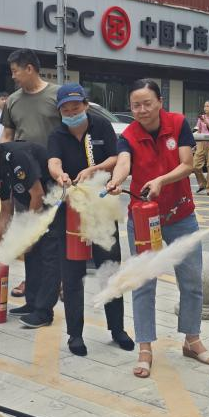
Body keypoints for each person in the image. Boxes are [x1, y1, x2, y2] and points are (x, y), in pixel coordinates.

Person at [108, 79, 209, 379]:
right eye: (135, 105)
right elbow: (124, 163)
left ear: (160, 102)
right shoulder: (129, 135)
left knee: (191, 281)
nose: (141, 110)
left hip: (181, 213)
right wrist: (117, 179)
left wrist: (161, 181)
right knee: (144, 283)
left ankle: (191, 339)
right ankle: (145, 348)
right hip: (144, 218)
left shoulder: (177, 124)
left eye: (147, 103)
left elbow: (187, 164)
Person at [47, 83, 135, 356]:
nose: (72, 113)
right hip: (71, 211)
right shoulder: (58, 134)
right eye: (66, 109)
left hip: (102, 208)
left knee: (109, 268)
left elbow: (116, 157)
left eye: (76, 107)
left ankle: (117, 329)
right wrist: (60, 175)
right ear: (60, 111)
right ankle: (75, 334)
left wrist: (94, 169)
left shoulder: (101, 126)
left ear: (85, 105)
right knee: (72, 273)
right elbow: (53, 162)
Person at [0, 134, 62, 329]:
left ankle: (44, 312)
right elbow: (6, 209)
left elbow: (38, 195)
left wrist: (27, 232)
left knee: (49, 257)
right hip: (37, 206)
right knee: (32, 254)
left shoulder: (16, 156)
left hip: (53, 204)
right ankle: (32, 303)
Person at [0, 49, 60, 295]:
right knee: (28, 229)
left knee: (54, 232)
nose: (13, 76)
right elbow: (7, 136)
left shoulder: (56, 95)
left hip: (54, 175)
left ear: (30, 68)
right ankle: (30, 280)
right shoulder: (13, 100)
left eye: (15, 71)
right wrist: (3, 169)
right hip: (23, 176)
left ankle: (59, 281)